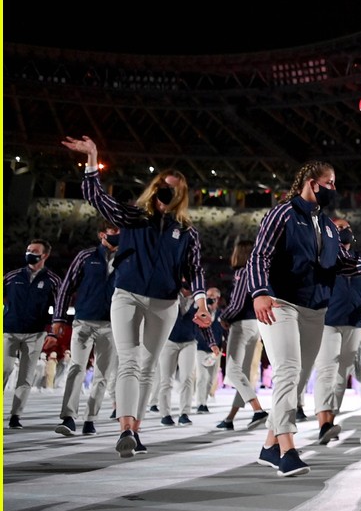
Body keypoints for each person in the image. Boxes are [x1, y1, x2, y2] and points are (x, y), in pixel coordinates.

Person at [63, 134, 210, 459]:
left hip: (165, 303)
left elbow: (195, 269)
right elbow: (97, 198)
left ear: (180, 196)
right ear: (155, 188)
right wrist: (92, 158)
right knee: (129, 361)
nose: (166, 193)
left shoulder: (187, 232)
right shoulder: (133, 217)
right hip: (127, 295)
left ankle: (136, 428)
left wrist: (200, 302)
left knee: (147, 367)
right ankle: (126, 429)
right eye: (162, 187)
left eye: (174, 190)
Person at [243, 160, 361, 477]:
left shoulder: (328, 226)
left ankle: (269, 445)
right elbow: (260, 255)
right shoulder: (283, 214)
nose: (334, 189)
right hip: (280, 303)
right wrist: (259, 292)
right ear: (311, 181)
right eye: (330, 182)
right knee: (289, 370)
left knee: (297, 380)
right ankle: (288, 449)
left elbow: (342, 264)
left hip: (315, 308)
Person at [311, 217, 361, 444]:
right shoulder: (324, 259)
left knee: (341, 373)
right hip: (326, 321)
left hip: (353, 323)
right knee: (327, 370)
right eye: (337, 228)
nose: (343, 231)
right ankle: (323, 422)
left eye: (346, 228)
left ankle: (330, 419)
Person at [51, 221, 121, 437]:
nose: (119, 235)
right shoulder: (85, 256)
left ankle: (90, 418)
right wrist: (59, 318)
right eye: (114, 232)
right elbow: (66, 287)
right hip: (83, 321)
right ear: (102, 234)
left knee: (102, 374)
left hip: (112, 325)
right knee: (76, 368)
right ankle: (69, 417)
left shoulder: (128, 258)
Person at [5, 239, 62, 429]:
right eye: (28, 249)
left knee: (26, 377)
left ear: (44, 255)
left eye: (35, 251)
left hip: (35, 333)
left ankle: (15, 415)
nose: (29, 253)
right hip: (9, 330)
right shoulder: (11, 276)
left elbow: (58, 307)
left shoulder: (53, 280)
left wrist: (52, 332)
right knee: (4, 369)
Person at [215, 240, 269, 431]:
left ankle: (257, 409)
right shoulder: (258, 273)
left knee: (232, 370)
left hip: (242, 325)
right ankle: (230, 418)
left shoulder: (242, 273)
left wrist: (224, 316)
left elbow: (237, 303)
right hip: (257, 325)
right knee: (243, 374)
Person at [157, 281, 205, 427]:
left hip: (189, 342)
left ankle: (184, 413)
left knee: (187, 378)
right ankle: (165, 414)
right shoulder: (170, 294)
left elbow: (204, 320)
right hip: (168, 341)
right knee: (166, 379)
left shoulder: (198, 300)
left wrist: (213, 343)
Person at [193, 288, 224, 412]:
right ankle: (200, 403)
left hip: (215, 351)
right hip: (201, 347)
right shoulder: (200, 311)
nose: (210, 298)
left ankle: (204, 400)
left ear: (218, 298)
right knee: (202, 377)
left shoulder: (221, 314)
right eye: (208, 296)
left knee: (211, 380)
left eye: (213, 296)